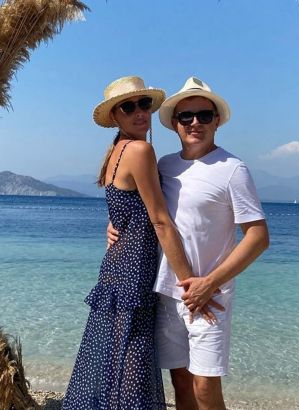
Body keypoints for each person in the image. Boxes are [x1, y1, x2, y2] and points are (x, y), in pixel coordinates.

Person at [110, 77, 269, 410]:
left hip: (210, 296)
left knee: (205, 388)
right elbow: (144, 208)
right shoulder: (164, 165)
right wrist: (113, 226)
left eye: (204, 115)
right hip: (167, 292)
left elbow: (258, 236)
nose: (195, 122)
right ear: (174, 123)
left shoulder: (233, 169)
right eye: (186, 116)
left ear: (217, 121)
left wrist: (210, 283)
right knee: (180, 382)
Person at [63, 76, 219, 410]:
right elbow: (160, 221)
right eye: (128, 107)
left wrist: (113, 225)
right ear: (115, 117)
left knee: (114, 362)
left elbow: (123, 207)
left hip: (117, 268)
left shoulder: (117, 152)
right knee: (132, 365)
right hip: (134, 270)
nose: (140, 112)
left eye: (144, 104)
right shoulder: (140, 149)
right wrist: (190, 285)